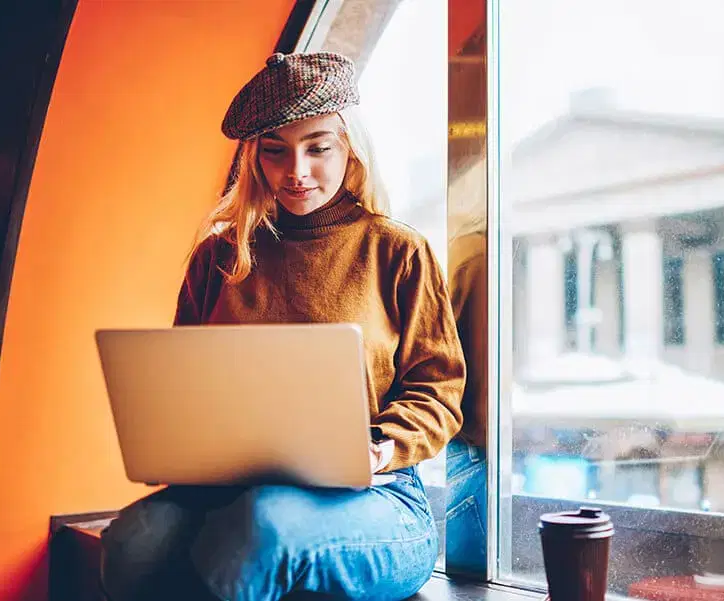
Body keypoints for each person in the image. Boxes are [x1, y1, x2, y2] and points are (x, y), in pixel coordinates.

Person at [99, 51, 466, 601]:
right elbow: (182, 387)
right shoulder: (220, 256)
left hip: (378, 496)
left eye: (318, 148)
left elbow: (439, 393)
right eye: (275, 151)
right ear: (255, 159)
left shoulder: (397, 250)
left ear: (351, 148)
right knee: (133, 542)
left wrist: (378, 446)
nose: (296, 171)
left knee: (263, 523)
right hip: (231, 490)